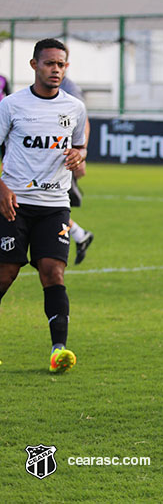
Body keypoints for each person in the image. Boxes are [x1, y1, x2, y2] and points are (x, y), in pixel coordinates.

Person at [0, 38, 88, 372]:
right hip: (15, 203)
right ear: (34, 65)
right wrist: (1, 188)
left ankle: (59, 351)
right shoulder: (11, 105)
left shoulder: (74, 107)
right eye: (49, 63)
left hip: (54, 205)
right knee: (5, 274)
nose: (56, 70)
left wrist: (79, 155)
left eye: (61, 64)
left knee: (53, 273)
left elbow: (79, 145)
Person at [60, 77, 94, 265]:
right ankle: (80, 234)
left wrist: (81, 153)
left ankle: (79, 234)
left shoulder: (68, 87)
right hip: (42, 159)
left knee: (49, 207)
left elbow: (83, 119)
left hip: (63, 159)